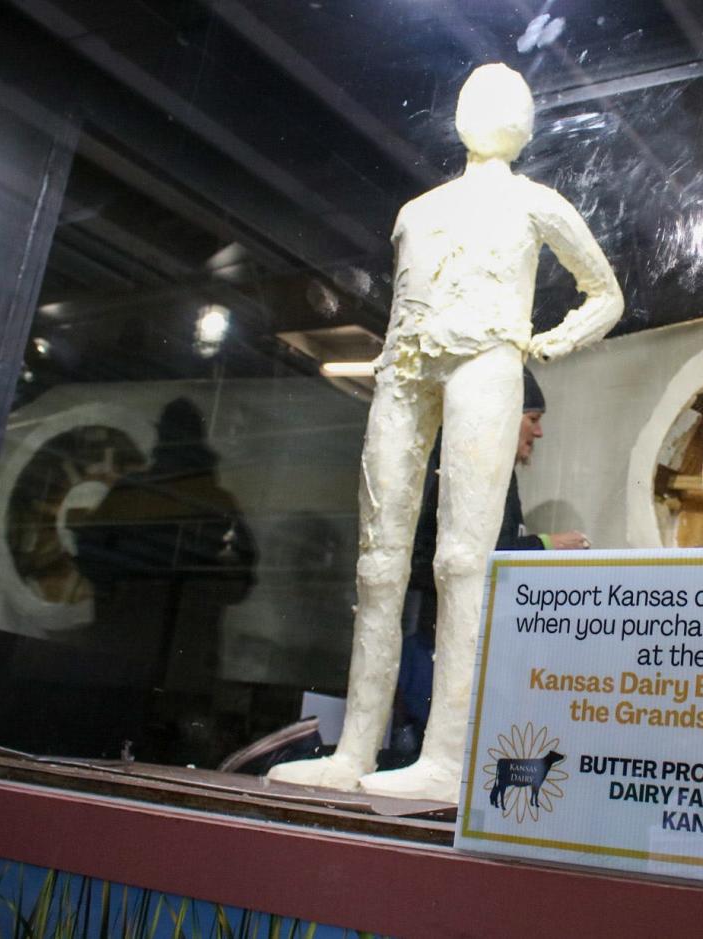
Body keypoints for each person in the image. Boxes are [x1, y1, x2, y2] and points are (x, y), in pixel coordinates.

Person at [268, 63, 622, 801]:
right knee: (377, 563)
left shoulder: (537, 204)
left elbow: (605, 293)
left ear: (525, 128)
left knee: (462, 558)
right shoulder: (416, 210)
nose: (489, 109)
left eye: (507, 103)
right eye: (477, 98)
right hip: (402, 369)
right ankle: (355, 749)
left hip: (485, 361)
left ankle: (446, 756)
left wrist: (544, 344)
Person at [391, 368, 588, 757]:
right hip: (434, 656)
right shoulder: (460, 465)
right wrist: (544, 546)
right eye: (533, 419)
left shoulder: (494, 473)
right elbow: (453, 558)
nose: (539, 432)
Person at [72, 397, 257, 765]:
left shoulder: (137, 491)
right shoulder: (215, 501)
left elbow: (91, 551)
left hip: (142, 649)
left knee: (113, 750)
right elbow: (242, 579)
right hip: (163, 652)